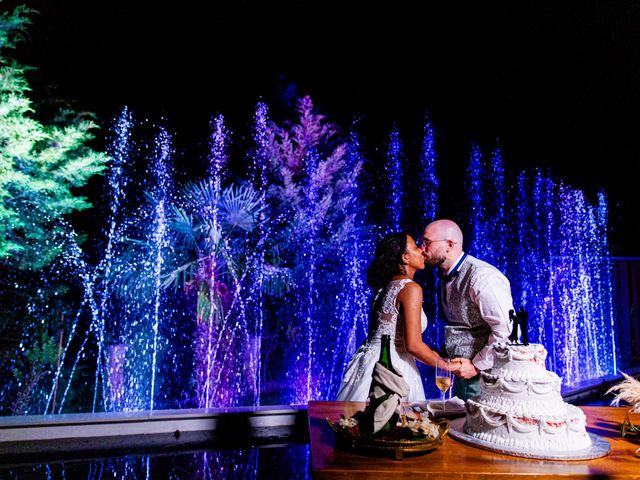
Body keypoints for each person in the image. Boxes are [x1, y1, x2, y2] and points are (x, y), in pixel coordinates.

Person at [336, 232, 459, 402]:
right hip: (393, 368)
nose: (423, 251)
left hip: (368, 363)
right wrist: (446, 366)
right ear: (405, 258)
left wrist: (436, 356)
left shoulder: (382, 289)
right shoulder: (410, 288)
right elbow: (413, 346)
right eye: (416, 247)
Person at [420, 219, 514, 401]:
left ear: (449, 245)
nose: (422, 248)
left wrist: (477, 365)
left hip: (487, 377)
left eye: (427, 242)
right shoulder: (445, 277)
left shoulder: (482, 276)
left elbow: (505, 330)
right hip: (463, 375)